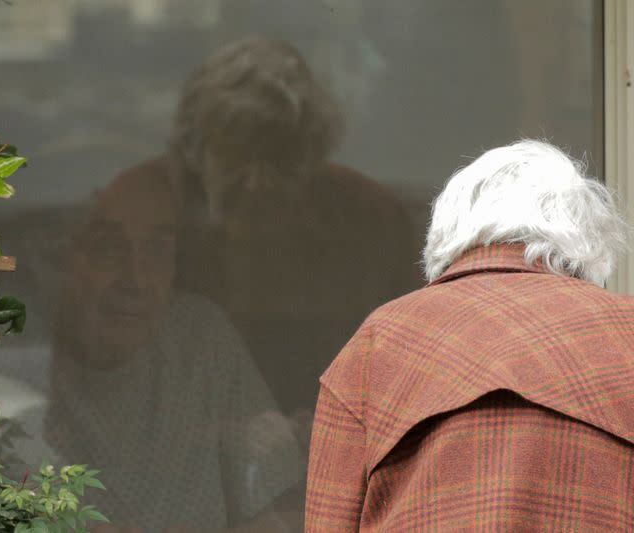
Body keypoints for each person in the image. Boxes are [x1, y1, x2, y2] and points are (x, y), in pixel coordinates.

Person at [305, 139, 634, 531]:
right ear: (589, 246)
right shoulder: (626, 334)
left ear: (448, 235)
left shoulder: (379, 342)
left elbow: (331, 520)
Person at [166, 37, 421, 432]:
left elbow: (410, 363)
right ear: (197, 156)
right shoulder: (164, 225)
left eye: (277, 158)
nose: (256, 183)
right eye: (236, 157)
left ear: (312, 154)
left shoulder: (369, 221)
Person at [42, 160, 304, 532]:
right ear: (67, 259)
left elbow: (283, 508)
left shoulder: (201, 338)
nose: (136, 278)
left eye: (156, 250)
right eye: (108, 248)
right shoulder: (19, 357)